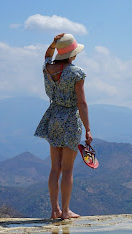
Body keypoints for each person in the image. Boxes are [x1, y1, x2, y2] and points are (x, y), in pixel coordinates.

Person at [34, 33, 93, 220]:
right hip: (70, 120)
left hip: (53, 117)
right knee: (67, 169)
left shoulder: (48, 68)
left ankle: (54, 210)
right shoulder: (76, 74)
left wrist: (53, 43)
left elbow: (46, 56)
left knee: (55, 168)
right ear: (73, 54)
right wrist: (88, 129)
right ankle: (66, 211)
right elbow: (81, 103)